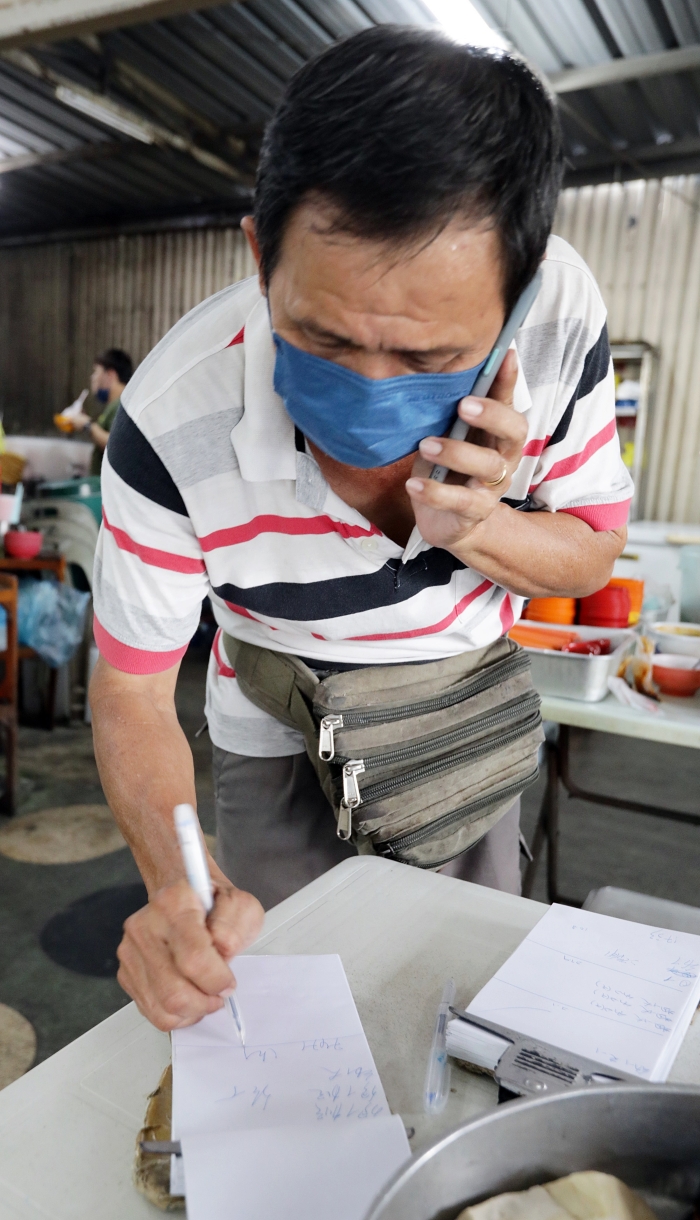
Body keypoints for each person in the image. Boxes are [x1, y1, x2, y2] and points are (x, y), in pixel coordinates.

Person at [89, 28, 632, 1032]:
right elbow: (129, 686)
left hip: (454, 712)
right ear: (259, 256)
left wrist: (478, 526)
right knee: (280, 1005)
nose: (368, 387)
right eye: (326, 338)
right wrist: (174, 884)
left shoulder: (559, 322)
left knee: (464, 1003)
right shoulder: (174, 418)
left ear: (514, 305)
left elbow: (592, 545)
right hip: (272, 717)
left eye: (427, 353)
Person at [72, 348, 133, 474]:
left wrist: (87, 425)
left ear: (110, 375)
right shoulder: (115, 405)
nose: (92, 378)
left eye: (96, 372)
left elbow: (116, 445)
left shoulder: (121, 405)